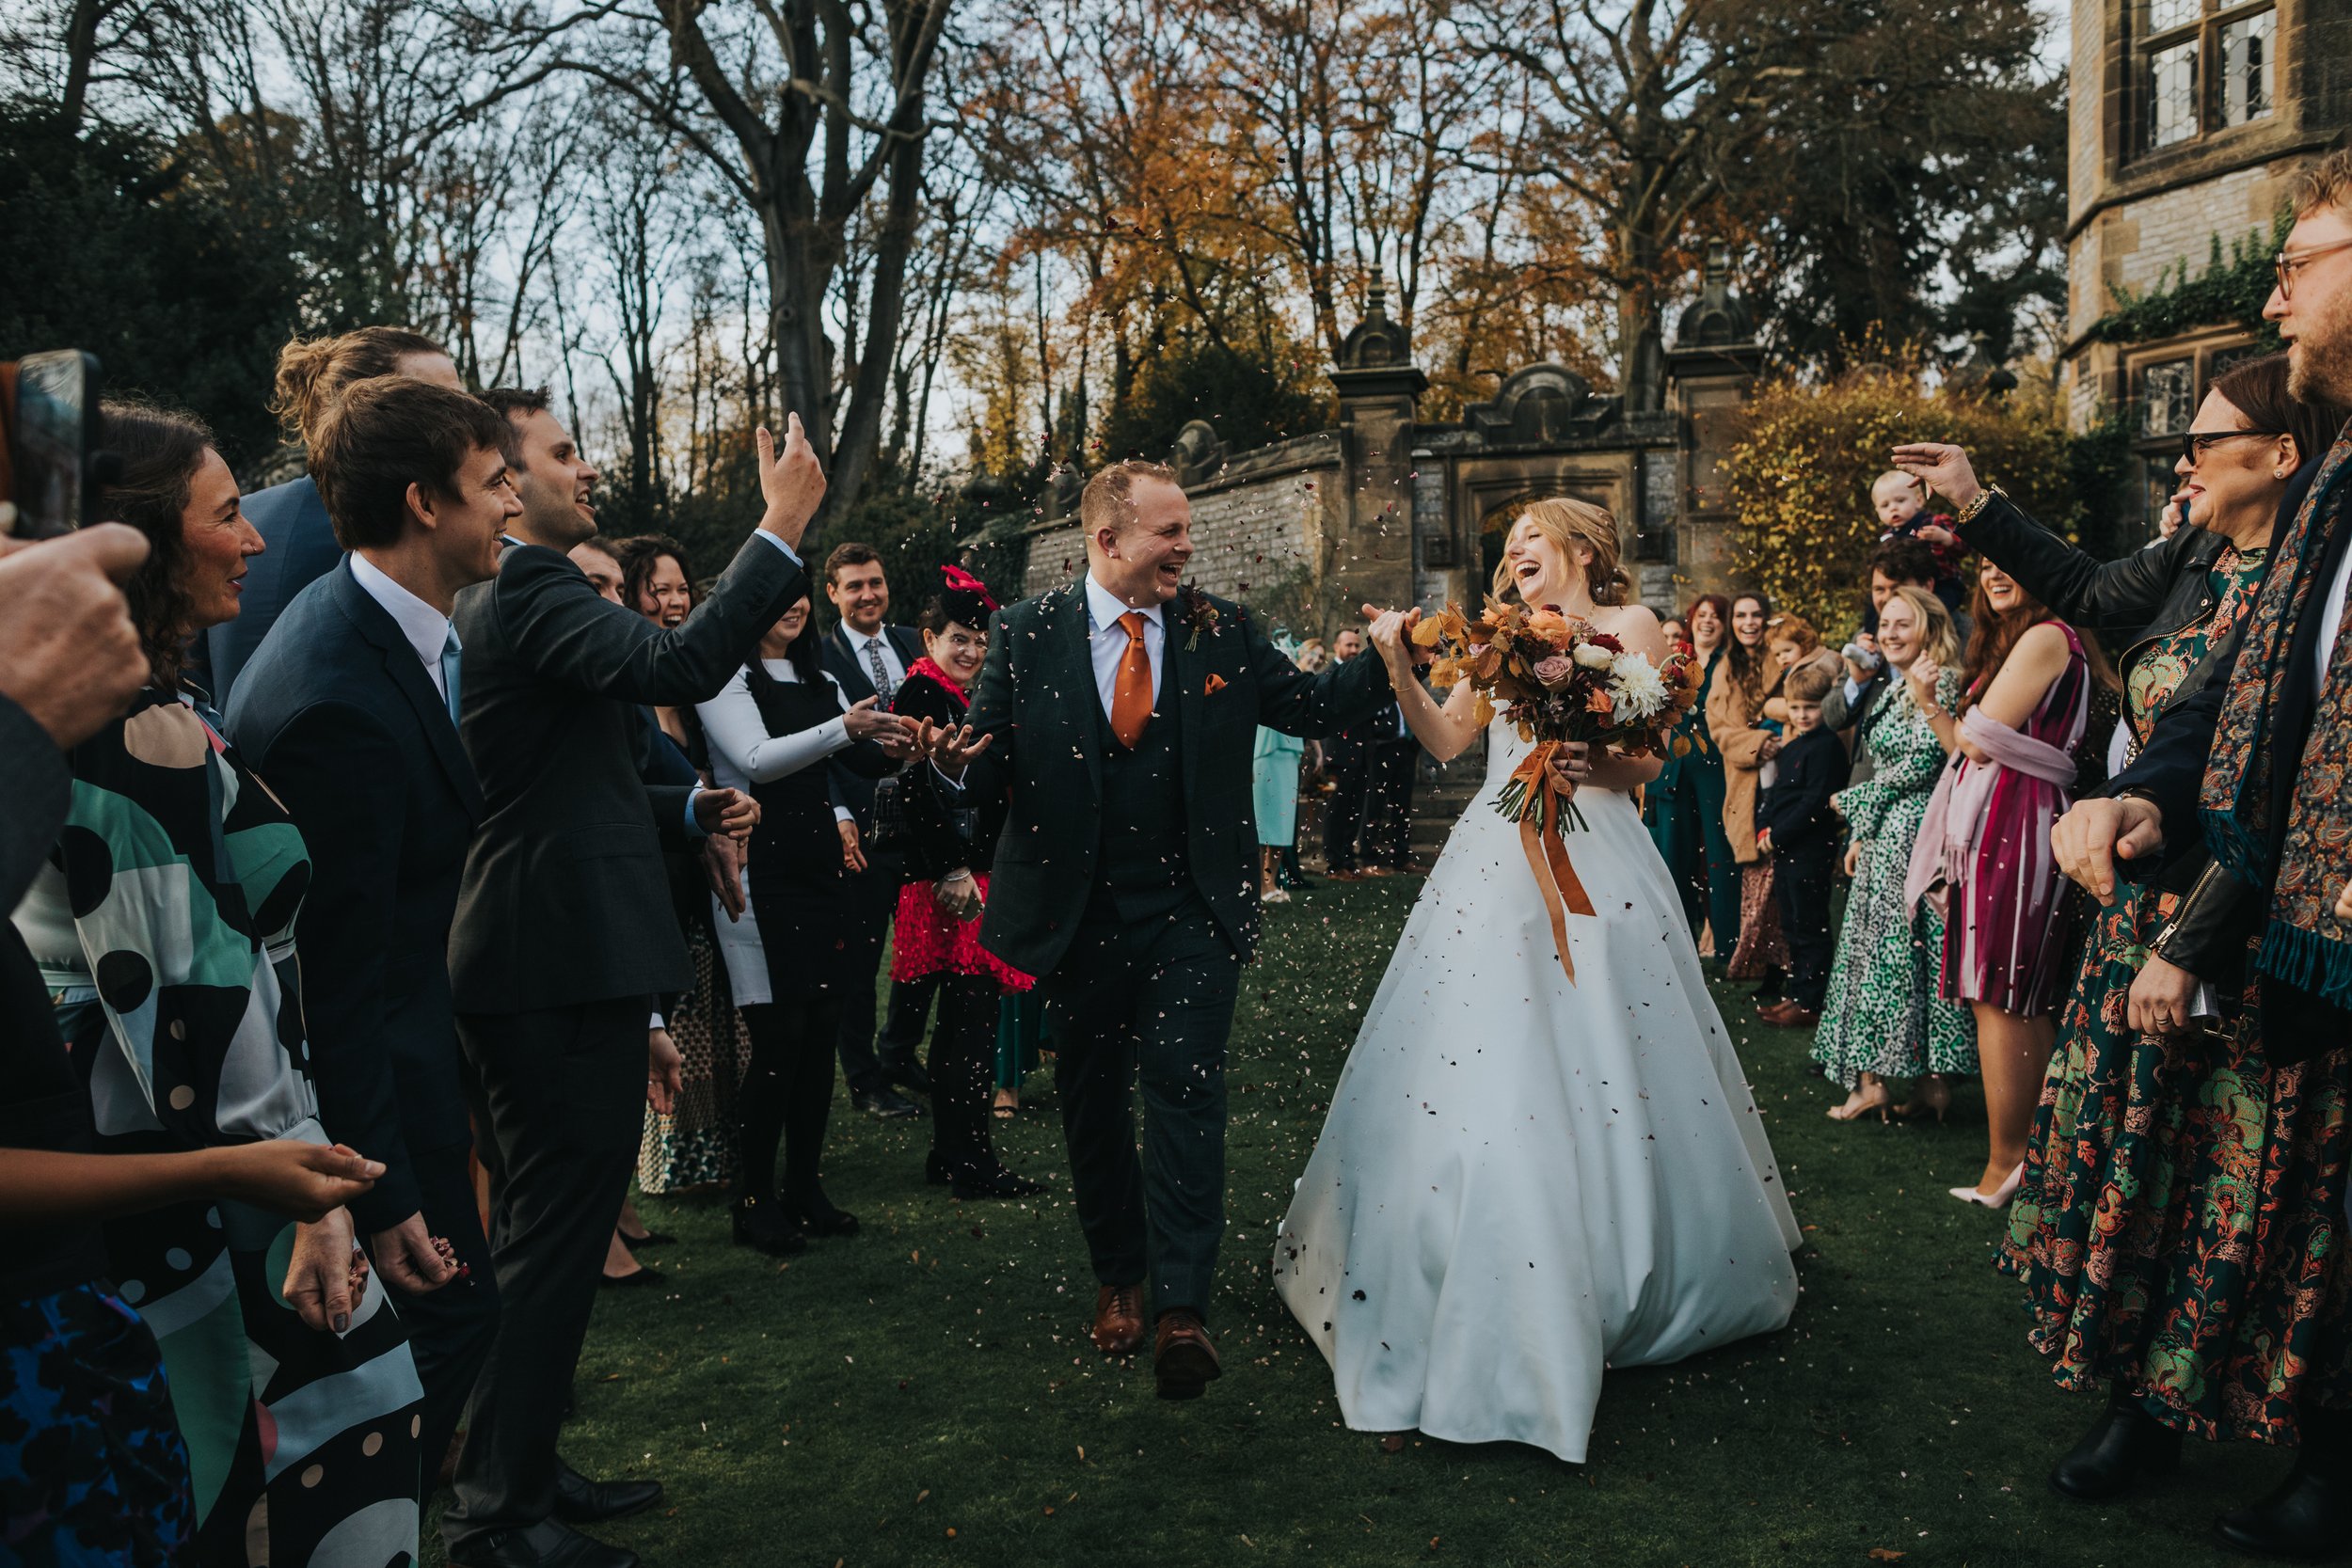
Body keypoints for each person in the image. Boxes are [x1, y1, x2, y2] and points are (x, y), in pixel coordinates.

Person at [1273, 497, 1801, 1462]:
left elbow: (1640, 761)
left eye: (1531, 539)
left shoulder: (1631, 626)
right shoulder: (1494, 636)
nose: (1514, 553)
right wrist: (1396, 661)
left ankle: (1630, 1255)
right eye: (1507, 543)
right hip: (1493, 854)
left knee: (1610, 1042)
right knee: (1484, 1050)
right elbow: (1443, 740)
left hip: (1595, 852)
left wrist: (1574, 746)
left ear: (1583, 551)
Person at [13, 402, 430, 1565]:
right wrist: (317, 1195)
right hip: (213, 1179)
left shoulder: (141, 712)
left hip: (137, 1159)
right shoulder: (136, 733)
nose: (256, 539)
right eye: (229, 513)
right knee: (316, 1454)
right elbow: (204, 996)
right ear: (139, 542)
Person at [905, 458, 1396, 1401]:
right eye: (1169, 531)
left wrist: (1390, 656)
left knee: (1184, 1086)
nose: (1185, 547)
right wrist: (951, 774)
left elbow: (1309, 704)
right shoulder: (1027, 631)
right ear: (1107, 539)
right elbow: (988, 760)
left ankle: (1180, 1306)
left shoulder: (1220, 627)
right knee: (1091, 1099)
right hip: (1078, 915)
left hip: (1191, 910)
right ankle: (1117, 1280)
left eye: (1185, 530)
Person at [2027, 151, 2352, 1554]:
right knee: (2154, 1167)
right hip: (2216, 909)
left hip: (2266, 926)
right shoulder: (2309, 509)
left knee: (2277, 1197)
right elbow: (2242, 706)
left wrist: (2200, 919)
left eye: (2307, 255)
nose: (2276, 286)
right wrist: (2148, 798)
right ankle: (2144, 1406)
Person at [441, 388, 812, 1568]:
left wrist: (689, 801)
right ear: (505, 482)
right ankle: (497, 1516)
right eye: (557, 455)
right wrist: (781, 523)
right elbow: (687, 654)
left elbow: (568, 784)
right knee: (550, 1241)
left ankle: (528, 1467)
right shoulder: (527, 586)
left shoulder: (518, 598)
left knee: (549, 1239)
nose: (583, 469)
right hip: (546, 957)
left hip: (563, 951)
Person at [224, 377, 516, 1490]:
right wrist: (383, 1193)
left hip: (404, 1058)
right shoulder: (341, 697)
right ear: (423, 501)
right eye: (493, 485)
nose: (511, 508)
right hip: (371, 1095)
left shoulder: (378, 625)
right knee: (443, 1334)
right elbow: (336, 982)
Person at [696, 586, 905, 1255]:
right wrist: (843, 729)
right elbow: (757, 759)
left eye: (798, 593)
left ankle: (806, 1190)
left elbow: (866, 758)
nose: (791, 604)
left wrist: (915, 747)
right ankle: (754, 1200)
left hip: (818, 871)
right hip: (758, 874)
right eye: (773, 593)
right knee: (779, 1041)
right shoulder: (722, 676)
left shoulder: (817, 675)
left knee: (820, 1037)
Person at [1903, 560, 2090, 1195]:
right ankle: (2036, 1158)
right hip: (2009, 815)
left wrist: (1954, 710)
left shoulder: (2046, 635)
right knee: (2015, 993)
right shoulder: (2022, 639)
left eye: (2009, 559)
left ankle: (2008, 1160)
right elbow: (1962, 740)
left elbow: (1978, 742)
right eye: (1984, 566)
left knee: (2001, 993)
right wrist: (1932, 703)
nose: (1995, 573)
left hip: (2016, 816)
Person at [886, 566, 1046, 1197]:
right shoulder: (921, 695)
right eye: (959, 638)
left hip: (971, 871)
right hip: (950, 880)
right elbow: (913, 789)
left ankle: (955, 1153)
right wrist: (951, 866)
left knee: (966, 1023)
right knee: (969, 1025)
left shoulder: (960, 695)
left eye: (981, 641)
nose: (972, 651)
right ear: (929, 640)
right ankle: (968, 1160)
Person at [608, 534, 756, 1207]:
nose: (672, 602)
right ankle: (666, 1163)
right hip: (651, 877)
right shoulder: (620, 688)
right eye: (655, 589)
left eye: (679, 589)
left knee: (711, 1019)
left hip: (702, 878)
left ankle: (718, 1154)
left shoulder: (691, 690)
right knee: (666, 1021)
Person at [203, 326, 463, 701]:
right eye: (442, 403)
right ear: (370, 408)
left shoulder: (245, 512)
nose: (466, 417)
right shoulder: (390, 534)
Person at [1811, 586, 1978, 1120]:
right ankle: (1910, 1085)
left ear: (1930, 628)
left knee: (1895, 956)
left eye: (1902, 624)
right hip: (1887, 834)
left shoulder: (1942, 682)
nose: (1889, 633)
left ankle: (1882, 1083)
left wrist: (1855, 799)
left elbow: (1928, 761)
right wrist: (1861, 829)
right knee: (1896, 954)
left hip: (1917, 833)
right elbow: (1884, 765)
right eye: (1885, 624)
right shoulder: (1891, 686)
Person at [818, 543, 931, 1119]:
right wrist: (838, 815)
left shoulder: (916, 642)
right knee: (860, 961)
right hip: (860, 829)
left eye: (876, 583)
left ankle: (899, 1054)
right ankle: (864, 1081)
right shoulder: (817, 655)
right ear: (833, 594)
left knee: (922, 947)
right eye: (854, 586)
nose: (868, 595)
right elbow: (819, 753)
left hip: (923, 826)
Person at [1756, 658, 1850, 1028]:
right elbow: (1776, 793)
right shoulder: (1795, 745)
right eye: (1795, 708)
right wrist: (1764, 826)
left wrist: (1777, 835)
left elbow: (1815, 802)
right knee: (1793, 923)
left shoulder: (1826, 747)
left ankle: (1811, 1000)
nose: (1803, 714)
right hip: (1785, 848)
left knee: (1810, 925)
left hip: (1810, 848)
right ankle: (1796, 993)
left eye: (1811, 707)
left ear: (1825, 705)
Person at [1706, 593, 1788, 1006]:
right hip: (1747, 782)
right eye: (1741, 615)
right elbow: (1719, 729)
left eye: (1756, 615)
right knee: (1758, 875)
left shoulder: (1785, 656)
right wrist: (1758, 741)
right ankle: (1764, 966)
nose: (1749, 622)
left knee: (1786, 874)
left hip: (1788, 778)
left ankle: (1789, 968)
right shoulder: (1725, 668)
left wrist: (1778, 732)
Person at [1825, 538, 1939, 786]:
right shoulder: (1864, 639)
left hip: (1930, 789)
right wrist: (1857, 680)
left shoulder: (1960, 637)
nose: (1886, 598)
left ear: (1927, 586)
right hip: (1868, 783)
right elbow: (1832, 716)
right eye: (1879, 589)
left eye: (1897, 588)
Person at [1682, 594, 1741, 962]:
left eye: (1716, 617)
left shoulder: (1730, 662)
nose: (1707, 622)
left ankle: (1726, 943)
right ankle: (1680, 943)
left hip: (1714, 760)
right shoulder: (1677, 657)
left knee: (1720, 851)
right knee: (1676, 854)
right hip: (1674, 763)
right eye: (1701, 615)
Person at [1642, 614, 1708, 936]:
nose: (1670, 641)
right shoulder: (1649, 673)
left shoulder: (1687, 680)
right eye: (1664, 635)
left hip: (1680, 772)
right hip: (1656, 779)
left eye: (1675, 635)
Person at [1320, 627, 1382, 879]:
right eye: (1349, 645)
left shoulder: (1360, 675)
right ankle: (1334, 863)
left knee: (1355, 809)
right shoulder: (1328, 676)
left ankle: (1348, 859)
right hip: (1339, 754)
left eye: (1357, 646)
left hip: (1362, 752)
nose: (1354, 650)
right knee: (1337, 810)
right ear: (1336, 647)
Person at [1867, 468, 1965, 618]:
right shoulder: (1887, 538)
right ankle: (1869, 637)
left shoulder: (1934, 523)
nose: (1893, 507)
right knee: (1874, 610)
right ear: (1878, 512)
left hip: (1944, 582)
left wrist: (1946, 538)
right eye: (1885, 505)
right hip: (1905, 587)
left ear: (1919, 500)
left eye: (1900, 501)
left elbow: (1964, 547)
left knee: (1936, 613)